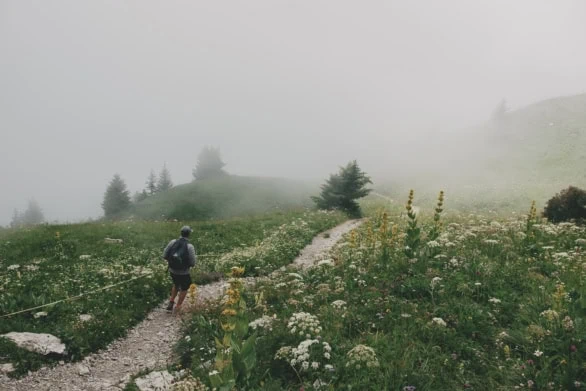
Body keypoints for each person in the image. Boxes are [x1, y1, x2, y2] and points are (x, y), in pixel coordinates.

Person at [163, 225, 197, 313]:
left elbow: (164, 255)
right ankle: (178, 306)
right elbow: (193, 263)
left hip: (172, 270)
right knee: (185, 288)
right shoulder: (190, 246)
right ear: (189, 234)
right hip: (184, 272)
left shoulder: (173, 242)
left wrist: (172, 262)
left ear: (181, 233)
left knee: (176, 284)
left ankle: (171, 302)